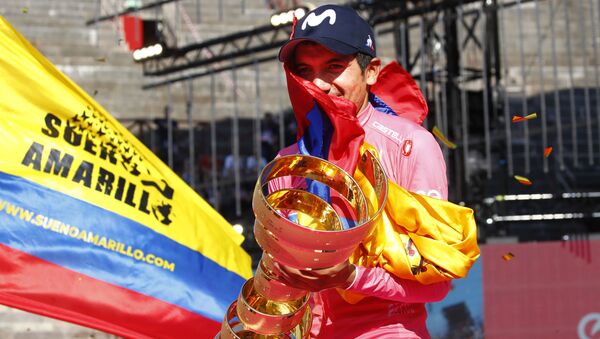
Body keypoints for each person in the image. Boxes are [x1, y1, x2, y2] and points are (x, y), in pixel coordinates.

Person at [270, 4, 450, 338]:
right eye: (305, 71)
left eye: (333, 67)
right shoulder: (287, 162)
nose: (319, 85)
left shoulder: (410, 146)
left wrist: (350, 277)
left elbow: (438, 283)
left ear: (371, 72)